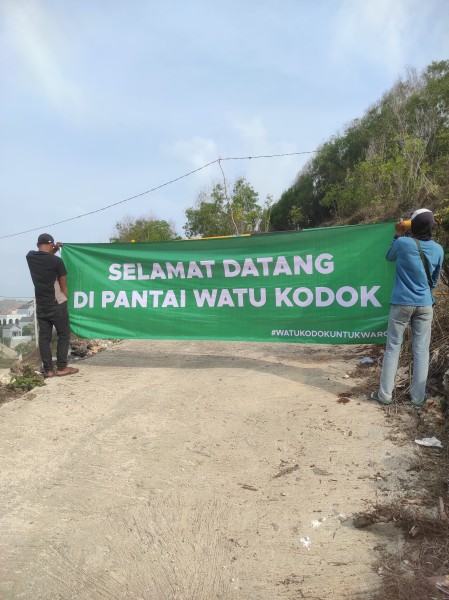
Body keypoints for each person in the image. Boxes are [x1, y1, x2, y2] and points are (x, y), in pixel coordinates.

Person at [371, 209, 444, 408]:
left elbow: (389, 256)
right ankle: (418, 399)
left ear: (413, 226)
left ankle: (385, 395)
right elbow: (435, 280)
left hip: (402, 303)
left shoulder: (403, 243)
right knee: (421, 351)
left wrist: (398, 233)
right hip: (425, 304)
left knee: (393, 347)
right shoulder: (438, 249)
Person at [26, 233, 79, 378]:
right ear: (51, 244)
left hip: (41, 304)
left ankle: (48, 370)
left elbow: (43, 255)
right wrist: (65, 301)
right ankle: (62, 367)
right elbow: (63, 286)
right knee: (63, 334)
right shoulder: (57, 261)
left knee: (44, 337)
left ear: (38, 245)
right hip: (56, 303)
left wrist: (52, 249)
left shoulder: (30, 257)